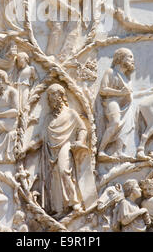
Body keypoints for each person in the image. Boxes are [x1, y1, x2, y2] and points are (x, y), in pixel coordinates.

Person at [28, 83, 97, 215]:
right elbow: (40, 139)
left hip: (67, 145)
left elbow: (82, 128)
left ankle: (74, 202)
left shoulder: (71, 114)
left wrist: (80, 141)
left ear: (59, 96)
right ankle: (60, 208)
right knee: (53, 178)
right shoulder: (48, 118)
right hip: (50, 151)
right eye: (48, 97)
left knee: (63, 170)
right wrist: (26, 150)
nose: (49, 100)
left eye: (51, 96)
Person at [98, 48, 135, 159]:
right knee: (115, 122)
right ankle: (101, 151)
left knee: (126, 126)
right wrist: (119, 92)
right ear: (120, 58)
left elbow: (129, 93)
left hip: (125, 105)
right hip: (112, 101)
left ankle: (119, 152)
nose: (133, 60)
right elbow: (103, 90)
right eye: (130, 57)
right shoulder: (110, 72)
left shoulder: (127, 77)